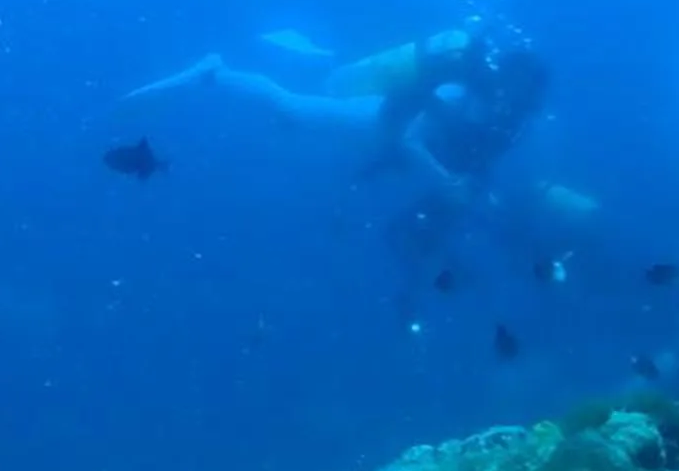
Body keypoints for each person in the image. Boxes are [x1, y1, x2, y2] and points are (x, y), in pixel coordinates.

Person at [125, 25, 554, 285]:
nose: (520, 103)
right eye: (521, 92)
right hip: (377, 122)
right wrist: (445, 181)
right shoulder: (463, 91)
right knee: (291, 107)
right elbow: (410, 139)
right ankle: (216, 71)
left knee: (304, 123)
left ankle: (314, 59)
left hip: (380, 131)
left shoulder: (488, 104)